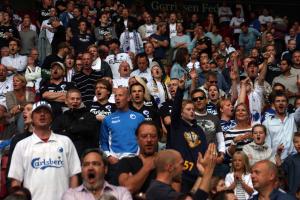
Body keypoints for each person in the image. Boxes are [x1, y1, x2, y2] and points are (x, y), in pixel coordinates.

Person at [8, 101, 81, 200]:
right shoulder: (21, 145)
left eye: (46, 112)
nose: (42, 114)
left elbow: (74, 174)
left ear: (51, 118)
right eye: (38, 112)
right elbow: (16, 180)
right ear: (32, 118)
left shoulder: (66, 141)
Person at [168, 77, 207, 192]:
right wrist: (180, 90)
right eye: (188, 109)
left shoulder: (199, 129)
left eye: (193, 109)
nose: (192, 111)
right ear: (181, 113)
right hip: (180, 175)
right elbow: (175, 109)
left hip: (197, 174)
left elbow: (203, 150)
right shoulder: (176, 125)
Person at [146, 144, 217, 200]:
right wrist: (209, 170)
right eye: (181, 164)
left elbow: (192, 196)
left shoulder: (159, 188)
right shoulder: (159, 191)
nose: (183, 168)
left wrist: (202, 175)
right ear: (170, 167)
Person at [62, 148, 132, 200]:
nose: (90, 168)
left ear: (105, 169)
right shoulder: (71, 195)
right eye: (86, 164)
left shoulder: (121, 193)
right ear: (81, 170)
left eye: (95, 164)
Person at [100, 87, 145, 163]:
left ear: (128, 98)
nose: (117, 98)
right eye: (115, 96)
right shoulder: (107, 119)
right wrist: (109, 157)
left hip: (135, 159)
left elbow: (144, 139)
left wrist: (140, 155)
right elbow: (103, 142)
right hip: (115, 160)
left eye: (120, 95)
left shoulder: (139, 117)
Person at [52, 88, 99, 157]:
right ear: (66, 101)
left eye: (78, 99)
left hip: (85, 154)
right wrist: (78, 129)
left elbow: (90, 130)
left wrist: (68, 130)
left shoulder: (89, 115)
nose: (75, 101)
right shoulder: (60, 118)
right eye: (72, 99)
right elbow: (55, 135)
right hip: (65, 153)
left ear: (81, 101)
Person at [118, 121, 158, 196]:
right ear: (137, 138)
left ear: (158, 138)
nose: (149, 140)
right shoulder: (126, 162)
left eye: (153, 136)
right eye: (144, 136)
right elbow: (127, 188)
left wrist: (139, 194)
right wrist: (147, 167)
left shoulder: (165, 161)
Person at [263, 92, 299, 160]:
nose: (281, 103)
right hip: (276, 159)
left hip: (294, 159)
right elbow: (267, 145)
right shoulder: (267, 122)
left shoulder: (293, 118)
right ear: (273, 104)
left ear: (287, 104)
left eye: (283, 101)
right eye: (278, 101)